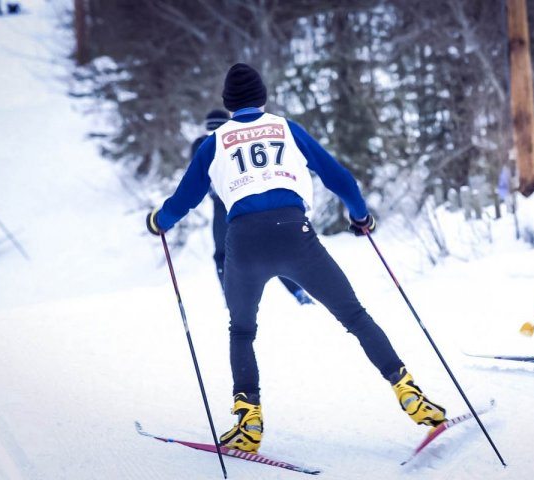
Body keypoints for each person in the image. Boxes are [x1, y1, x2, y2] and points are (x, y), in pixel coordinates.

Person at [146, 63, 446, 453]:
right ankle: (407, 389)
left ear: (228, 103)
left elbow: (185, 199)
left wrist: (159, 221)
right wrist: (360, 215)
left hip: (244, 242)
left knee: (241, 330)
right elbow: (338, 177)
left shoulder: (214, 142)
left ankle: (248, 419)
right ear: (263, 97)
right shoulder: (287, 128)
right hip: (294, 234)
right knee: (355, 316)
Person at [195, 109, 314, 305]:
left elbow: (199, 178)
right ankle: (297, 291)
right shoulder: (234, 139)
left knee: (224, 253)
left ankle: (231, 294)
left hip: (227, 205)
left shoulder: (203, 145)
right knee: (272, 247)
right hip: (248, 201)